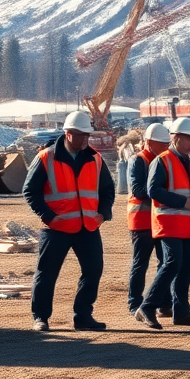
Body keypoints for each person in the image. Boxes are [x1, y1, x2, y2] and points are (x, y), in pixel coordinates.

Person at [23, 110, 116, 332]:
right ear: (68, 133)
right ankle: (41, 318)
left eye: (88, 135)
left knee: (93, 270)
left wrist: (103, 214)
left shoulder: (95, 158)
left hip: (88, 227)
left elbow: (108, 190)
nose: (86, 139)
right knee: (47, 273)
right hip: (56, 228)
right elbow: (30, 191)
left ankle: (83, 316)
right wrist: (48, 217)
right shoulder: (46, 158)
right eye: (81, 134)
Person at [136, 117, 190, 329]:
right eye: (188, 139)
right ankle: (147, 307)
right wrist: (182, 202)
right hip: (169, 224)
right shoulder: (162, 161)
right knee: (172, 263)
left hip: (187, 226)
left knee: (186, 267)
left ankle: (182, 312)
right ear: (176, 138)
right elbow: (153, 190)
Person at [127, 122, 170, 321]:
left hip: (160, 221)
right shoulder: (139, 160)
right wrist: (162, 191)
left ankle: (164, 303)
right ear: (150, 142)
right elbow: (139, 191)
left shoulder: (165, 160)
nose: (166, 148)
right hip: (142, 221)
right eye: (162, 144)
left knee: (165, 263)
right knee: (140, 264)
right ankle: (134, 303)